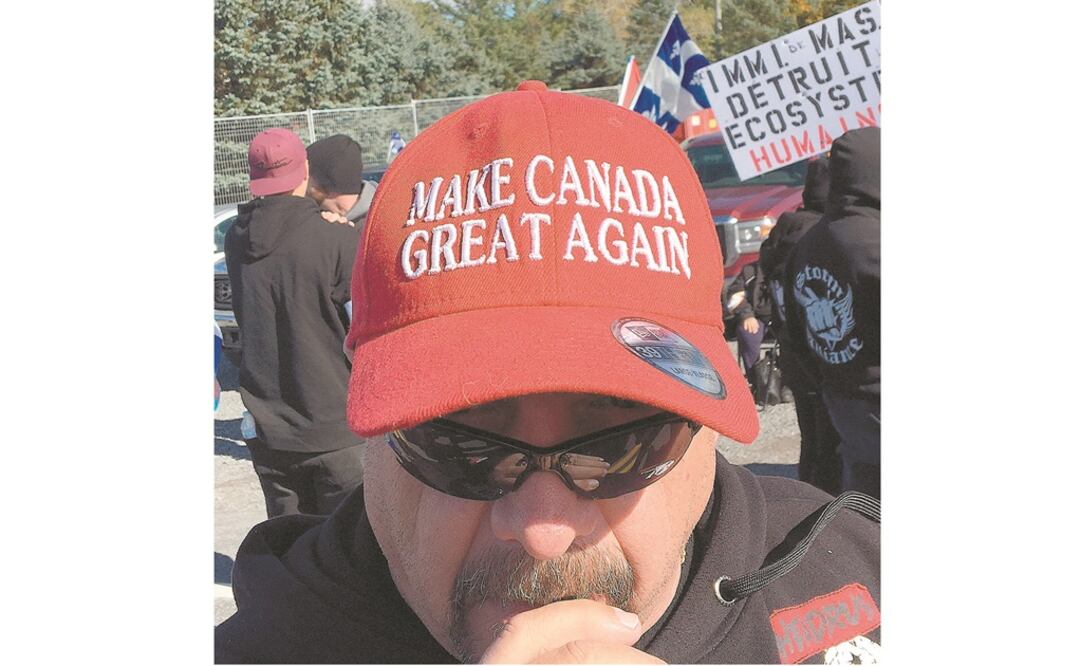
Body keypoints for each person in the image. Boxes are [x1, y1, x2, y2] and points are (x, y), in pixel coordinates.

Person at [216, 82, 880, 664]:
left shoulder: (864, 579)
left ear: (705, 437)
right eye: (459, 443)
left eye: (624, 442)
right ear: (375, 442)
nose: (542, 533)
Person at [224, 128, 366, 518]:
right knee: (348, 557)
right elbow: (365, 334)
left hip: (270, 432)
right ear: (305, 171)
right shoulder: (337, 240)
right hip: (336, 430)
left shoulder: (236, 240)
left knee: (290, 552)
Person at [784, 127, 881, 499]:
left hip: (842, 399)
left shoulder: (808, 243)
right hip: (877, 397)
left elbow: (795, 334)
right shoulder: (875, 242)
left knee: (865, 502)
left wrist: (831, 377)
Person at [759, 159, 842, 495]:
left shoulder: (783, 230)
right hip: (822, 346)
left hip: (790, 343)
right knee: (831, 437)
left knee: (809, 432)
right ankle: (825, 504)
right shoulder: (824, 234)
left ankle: (808, 495)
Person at [306, 134, 379, 229]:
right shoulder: (321, 219)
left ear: (325, 182)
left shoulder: (377, 227)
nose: (302, 182)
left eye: (307, 176)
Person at [722, 259, 772, 391]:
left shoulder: (788, 266)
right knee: (748, 332)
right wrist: (746, 315)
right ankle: (757, 382)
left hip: (784, 319)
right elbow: (734, 296)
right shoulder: (749, 271)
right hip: (757, 318)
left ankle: (788, 385)